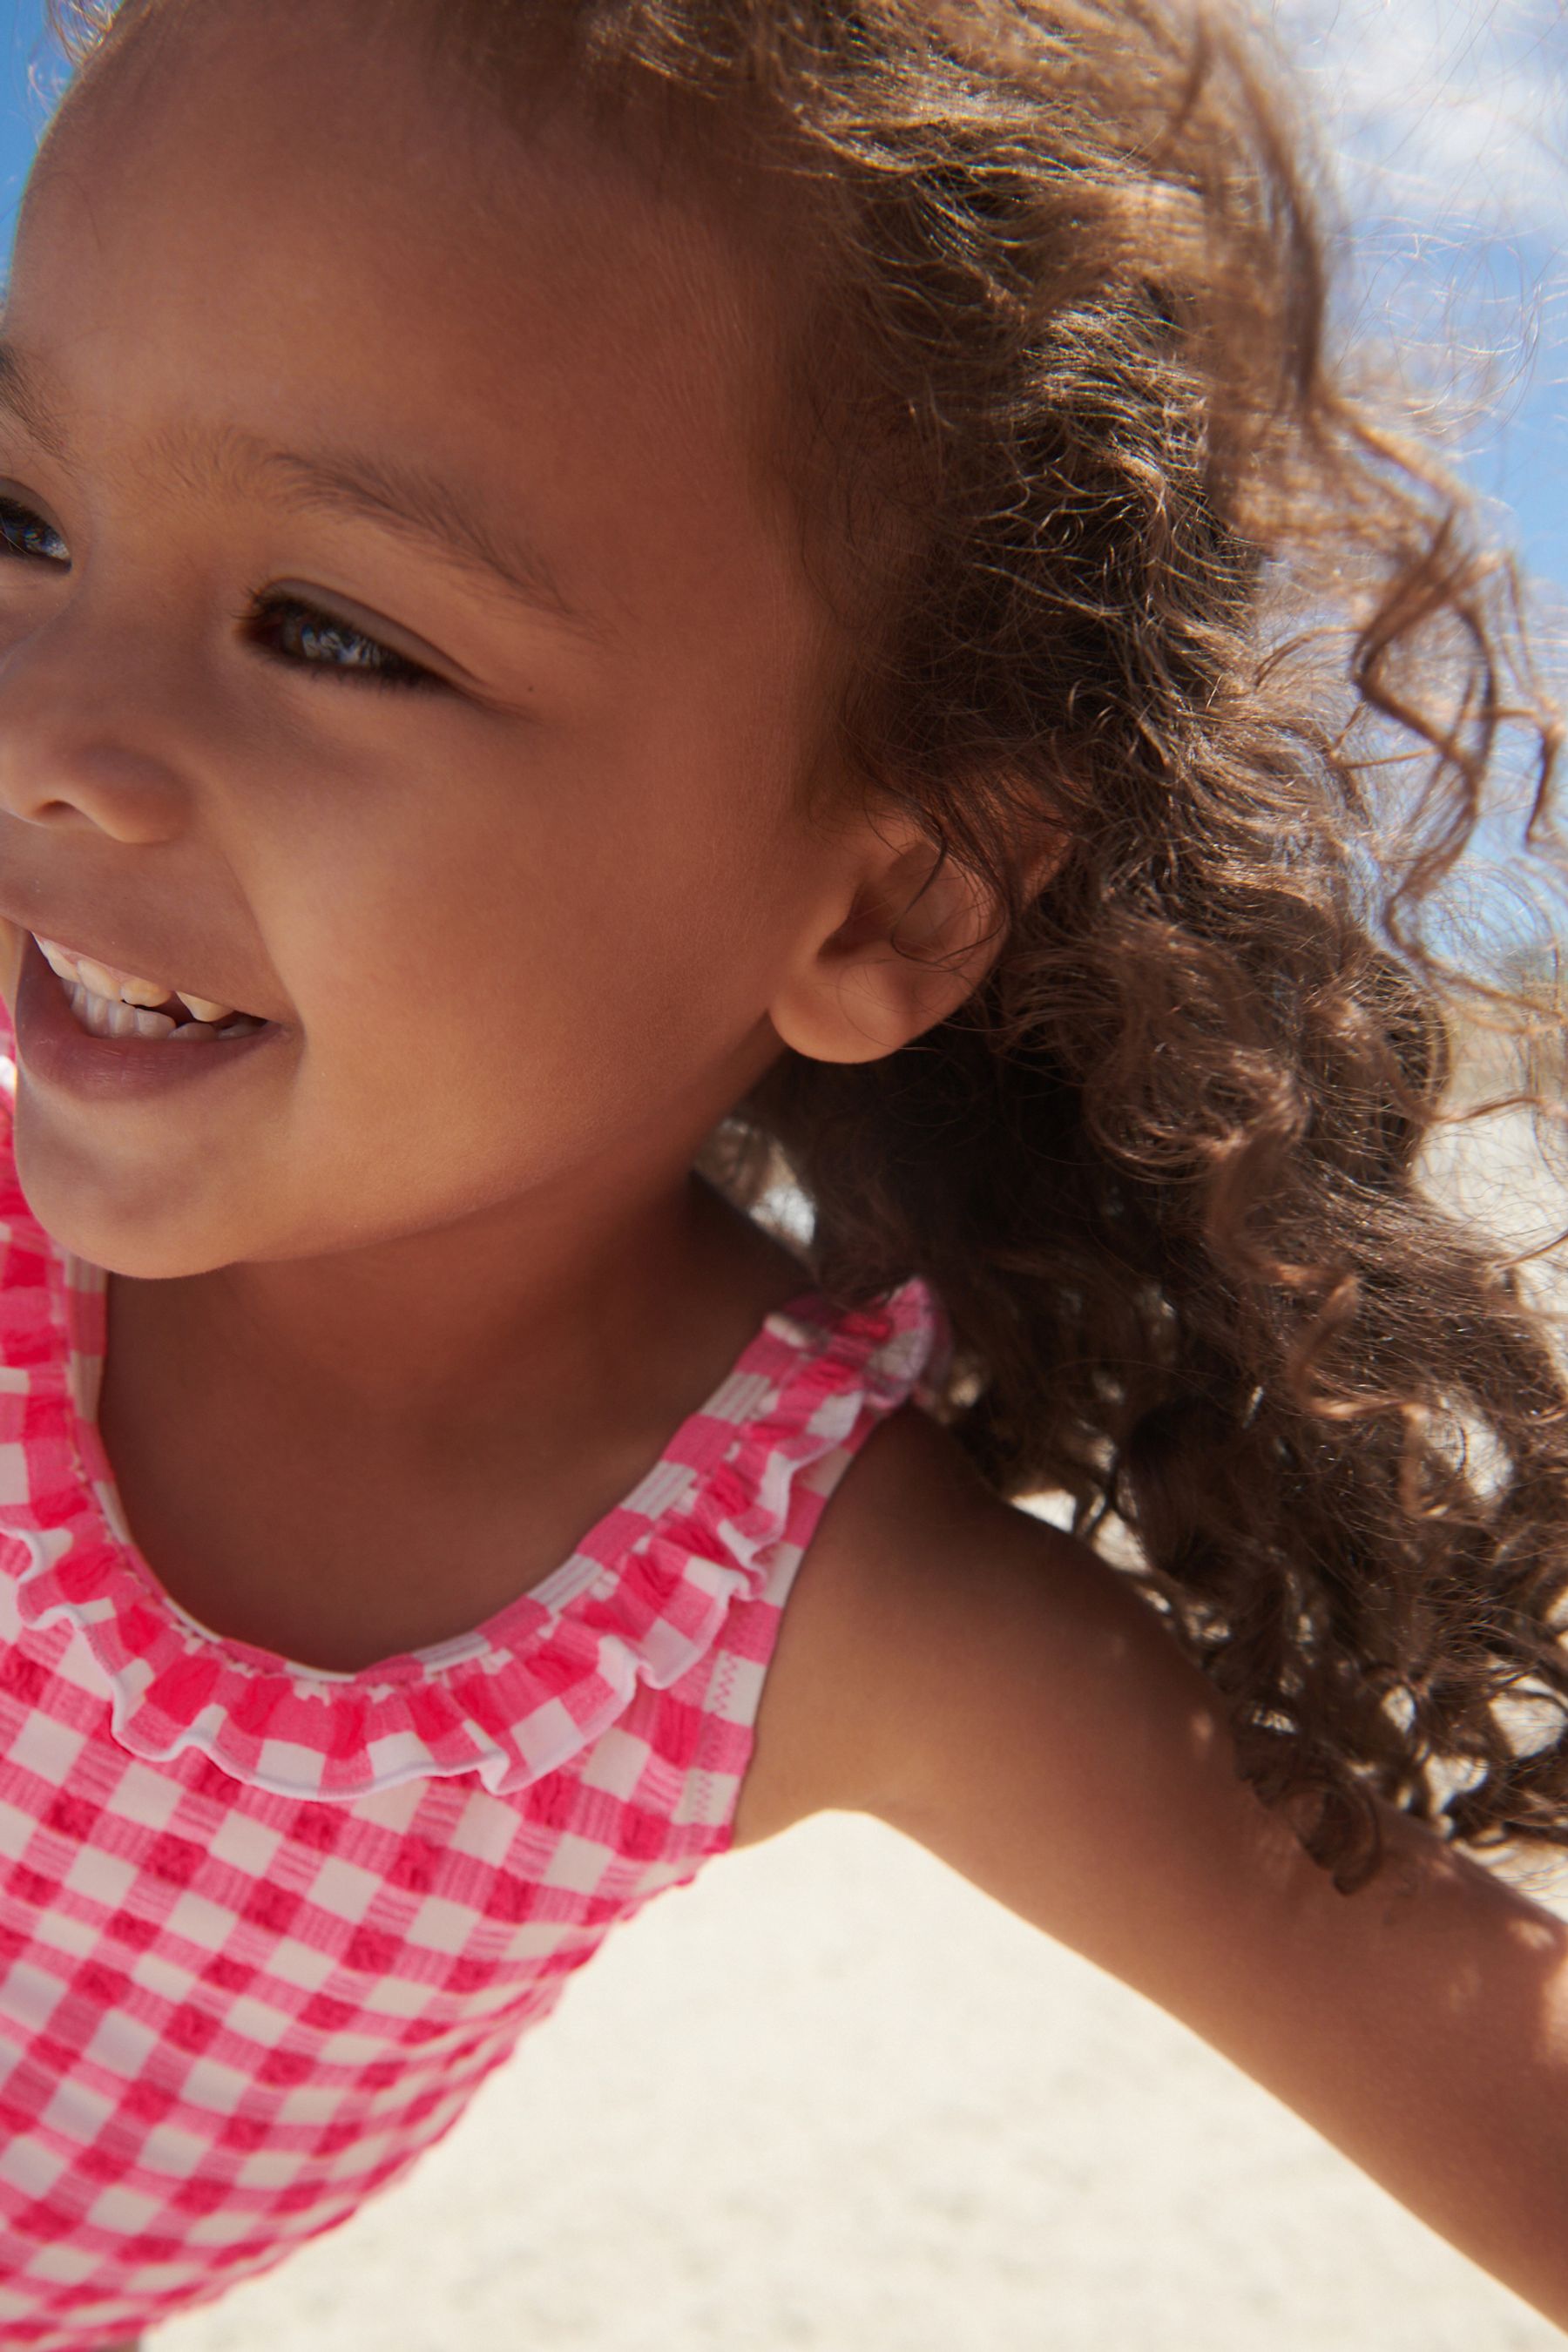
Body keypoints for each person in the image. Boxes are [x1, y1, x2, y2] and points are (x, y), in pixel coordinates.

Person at [0, 0, 1562, 2344]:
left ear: (882, 904)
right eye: (20, 519)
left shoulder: (789, 1616)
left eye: (333, 631)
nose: (53, 734)